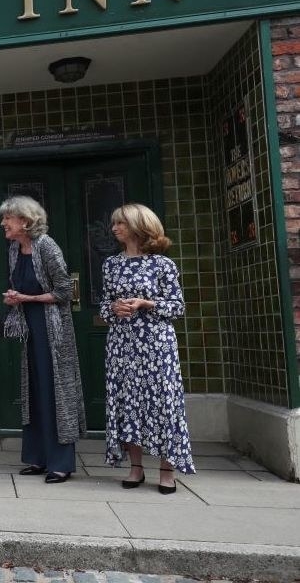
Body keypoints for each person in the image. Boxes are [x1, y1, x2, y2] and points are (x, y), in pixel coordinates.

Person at [100, 203, 195, 494]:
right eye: (114, 223)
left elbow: (177, 307)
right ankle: (136, 467)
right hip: (122, 343)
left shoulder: (162, 265)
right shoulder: (111, 265)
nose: (115, 228)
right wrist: (114, 308)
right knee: (127, 403)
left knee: (164, 403)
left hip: (156, 344)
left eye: (121, 223)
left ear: (139, 227)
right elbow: (103, 307)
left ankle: (168, 469)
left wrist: (146, 303)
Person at [0, 195, 85, 484]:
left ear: (24, 221)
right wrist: (15, 298)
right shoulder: (14, 247)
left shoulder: (47, 247)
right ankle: (37, 458)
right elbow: (18, 283)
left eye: (7, 219)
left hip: (52, 330)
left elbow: (65, 292)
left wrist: (28, 298)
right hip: (29, 327)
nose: (3, 224)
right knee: (33, 391)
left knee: (54, 391)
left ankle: (61, 463)